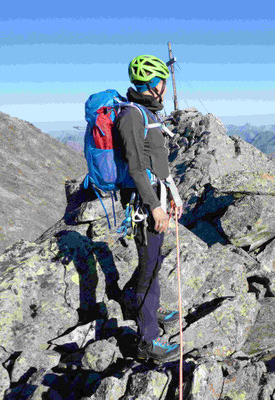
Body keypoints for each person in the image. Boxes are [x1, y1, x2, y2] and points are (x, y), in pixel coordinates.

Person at [114, 54, 183, 362]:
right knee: (150, 266)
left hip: (157, 197)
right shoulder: (132, 116)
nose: (165, 88)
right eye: (163, 83)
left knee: (152, 260)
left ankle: (148, 308)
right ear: (154, 85)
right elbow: (136, 168)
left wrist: (174, 196)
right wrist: (155, 207)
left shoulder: (148, 112)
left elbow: (158, 163)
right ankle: (148, 340)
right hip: (144, 205)